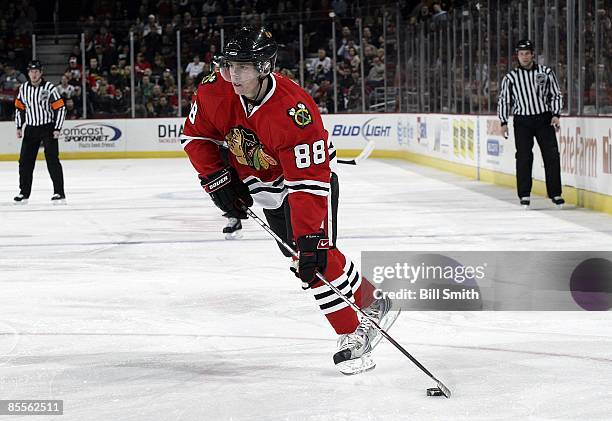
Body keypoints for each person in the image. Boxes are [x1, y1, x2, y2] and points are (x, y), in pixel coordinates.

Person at [180, 27, 399, 374]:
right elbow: (195, 136)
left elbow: (307, 184)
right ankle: (374, 301)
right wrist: (216, 177)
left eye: (243, 67)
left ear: (264, 66)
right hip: (265, 189)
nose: (232, 75)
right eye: (228, 66)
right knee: (307, 261)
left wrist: (310, 237)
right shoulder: (213, 89)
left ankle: (353, 334)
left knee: (313, 258)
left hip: (304, 184)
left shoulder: (294, 110)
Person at [498, 39, 564, 209]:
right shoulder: (511, 77)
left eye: (527, 53)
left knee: (551, 156)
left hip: (544, 119)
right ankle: (524, 195)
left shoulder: (546, 72)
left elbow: (555, 94)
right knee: (524, 158)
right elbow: (504, 100)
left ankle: (555, 194)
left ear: (533, 54)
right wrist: (503, 121)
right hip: (522, 121)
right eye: (521, 54)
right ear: (517, 56)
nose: (525, 57)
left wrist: (556, 114)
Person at [13, 60, 67, 204]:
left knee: (52, 159)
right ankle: (23, 193)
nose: (34, 74)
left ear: (41, 73)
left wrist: (57, 128)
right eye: (31, 71)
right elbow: (20, 108)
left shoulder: (50, 88)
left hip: (48, 128)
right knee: (24, 162)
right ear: (28, 73)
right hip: (30, 129)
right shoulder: (23, 88)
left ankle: (59, 192)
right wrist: (19, 126)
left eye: (37, 71)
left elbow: (60, 108)